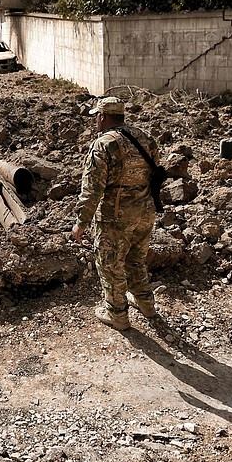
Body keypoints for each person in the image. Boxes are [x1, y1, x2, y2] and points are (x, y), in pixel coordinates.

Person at [71, 96, 160, 331]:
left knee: (110, 264)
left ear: (102, 117)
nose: (95, 122)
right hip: (145, 211)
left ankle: (117, 314)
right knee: (136, 259)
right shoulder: (144, 137)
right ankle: (146, 304)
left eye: (96, 118)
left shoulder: (104, 144)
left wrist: (81, 222)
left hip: (115, 217)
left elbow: (93, 189)